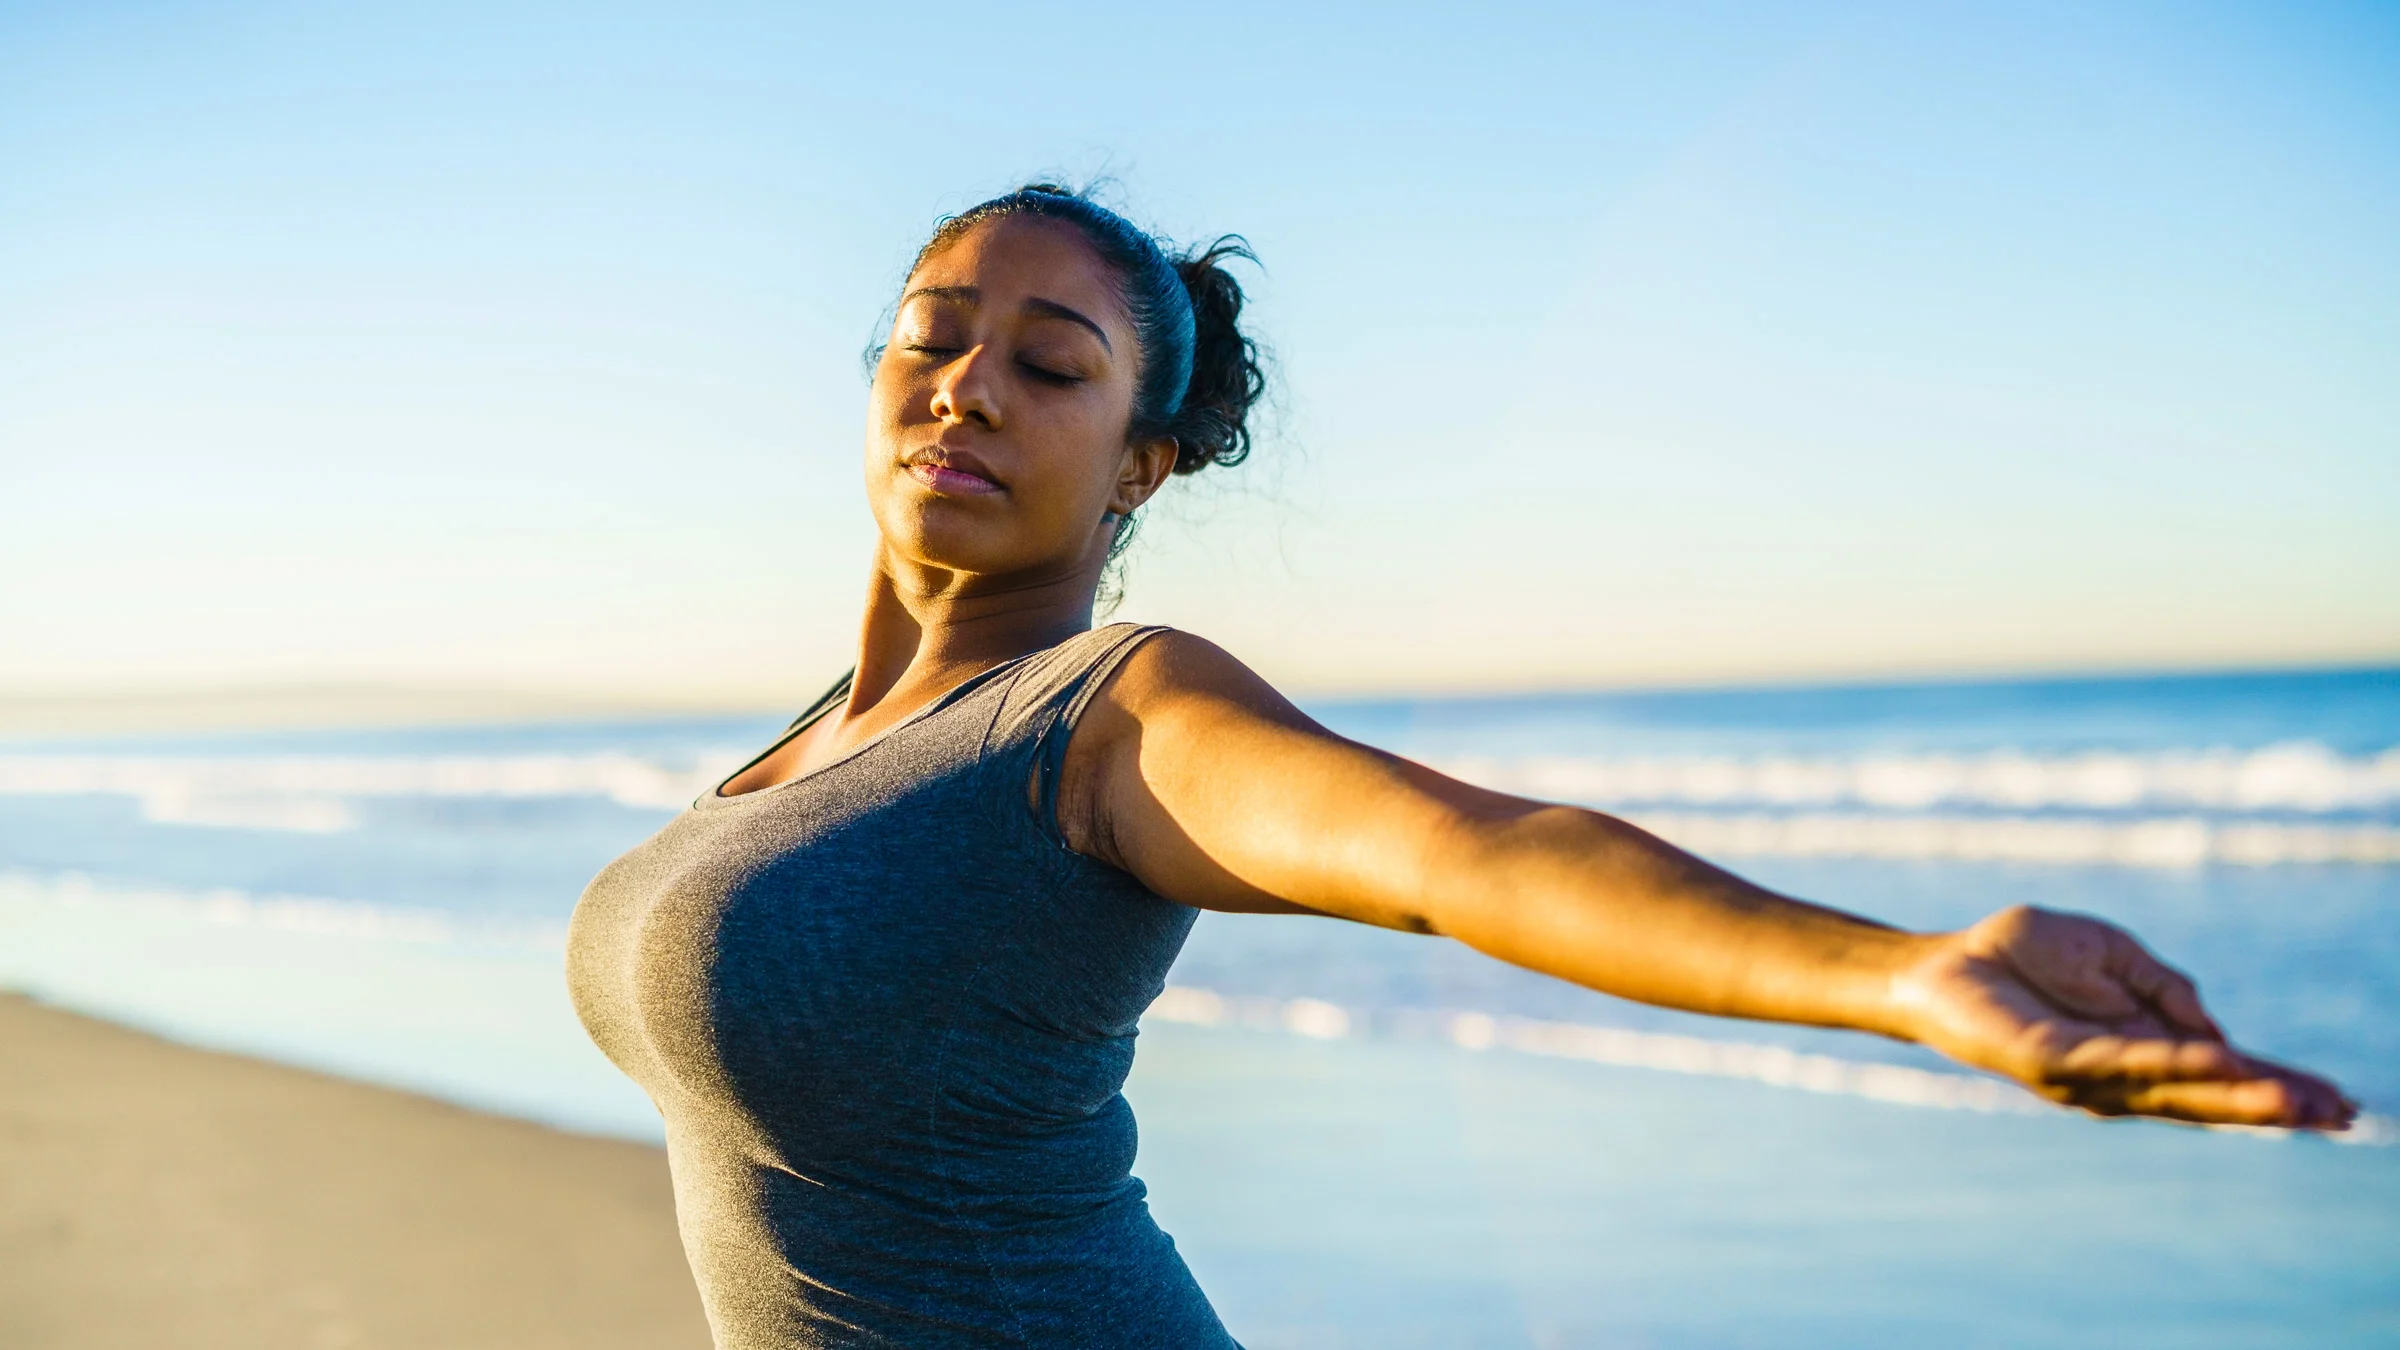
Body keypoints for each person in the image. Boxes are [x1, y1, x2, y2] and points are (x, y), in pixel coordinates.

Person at [565, 184, 2355, 1350]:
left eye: (1051, 365)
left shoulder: (1111, 717)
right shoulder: (819, 736)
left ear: (1142, 466)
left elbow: (1464, 853)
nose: (967, 386)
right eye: (934, 334)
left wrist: (1898, 972)